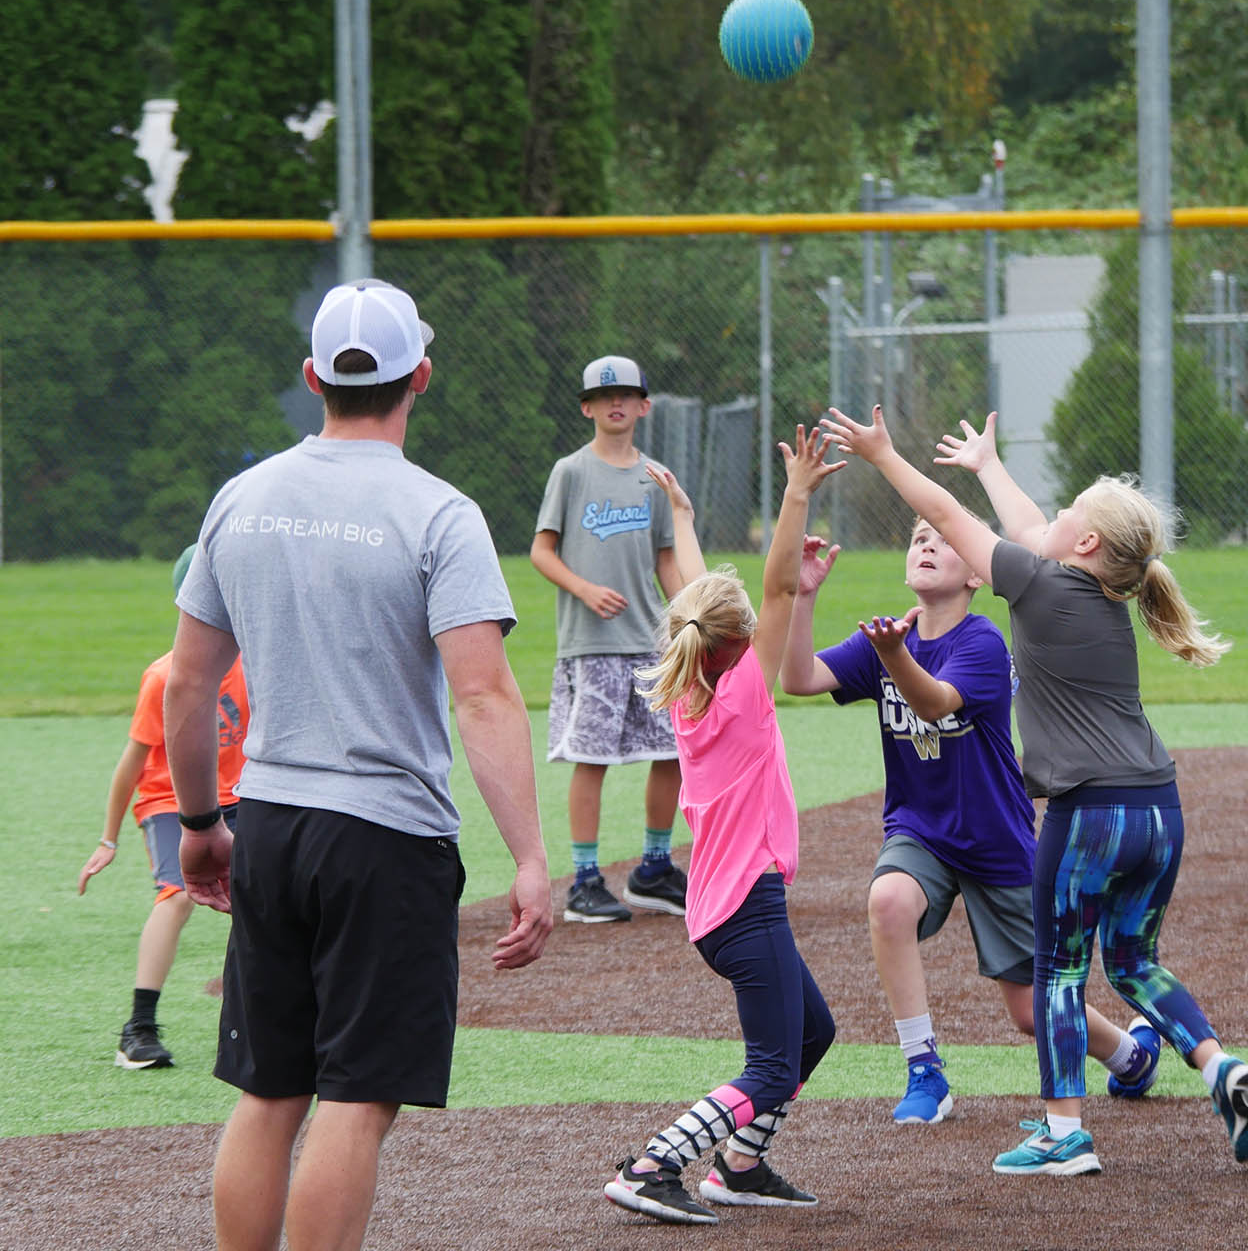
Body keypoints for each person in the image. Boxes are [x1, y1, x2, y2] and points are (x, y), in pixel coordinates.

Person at [166, 278, 553, 1251]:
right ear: (420, 375)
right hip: (385, 838)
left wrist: (204, 825)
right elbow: (484, 694)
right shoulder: (441, 513)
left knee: (270, 1089)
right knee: (358, 1093)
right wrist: (533, 858)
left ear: (312, 379)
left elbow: (188, 683)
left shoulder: (241, 497)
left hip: (272, 824)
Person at [819, 405, 1248, 1178]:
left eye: (1071, 511)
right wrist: (989, 465)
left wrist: (884, 457)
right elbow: (1032, 529)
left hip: (1089, 812)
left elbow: (942, 514)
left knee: (1059, 973)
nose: (1054, 516)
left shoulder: (1038, 585)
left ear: (1087, 544)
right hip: (1159, 807)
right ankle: (1216, 1065)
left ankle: (1064, 1131)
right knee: (1132, 961)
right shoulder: (1095, 594)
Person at [779, 519, 1163, 1124]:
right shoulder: (889, 636)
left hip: (996, 840)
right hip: (921, 830)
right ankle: (924, 1069)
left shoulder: (982, 642)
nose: (927, 545)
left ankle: (1130, 1055)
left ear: (979, 574)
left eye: (943, 539)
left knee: (1030, 1011)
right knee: (888, 900)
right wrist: (805, 596)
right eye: (916, 537)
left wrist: (892, 655)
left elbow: (933, 701)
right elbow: (797, 679)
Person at [602, 427, 842, 1225]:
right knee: (774, 1066)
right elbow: (767, 594)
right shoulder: (741, 690)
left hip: (721, 905)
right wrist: (797, 492)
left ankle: (740, 1167)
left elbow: (708, 599)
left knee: (814, 1031)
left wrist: (685, 522)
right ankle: (654, 1165)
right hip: (747, 905)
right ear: (737, 647)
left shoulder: (691, 683)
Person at [77, 544, 248, 1071]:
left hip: (241, 795)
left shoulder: (260, 665)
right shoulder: (165, 676)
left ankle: (261, 1023)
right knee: (176, 896)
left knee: (267, 899)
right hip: (169, 799)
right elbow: (131, 764)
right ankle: (139, 1028)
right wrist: (109, 839)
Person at [530, 355, 688, 924]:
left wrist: (687, 618)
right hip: (591, 644)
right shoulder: (570, 472)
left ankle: (652, 868)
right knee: (591, 758)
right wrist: (584, 588)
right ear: (586, 408)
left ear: (644, 405)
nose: (614, 403)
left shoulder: (655, 477)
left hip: (649, 641)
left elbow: (666, 559)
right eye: (603, 396)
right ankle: (585, 881)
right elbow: (541, 551)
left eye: (625, 395)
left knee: (672, 750)